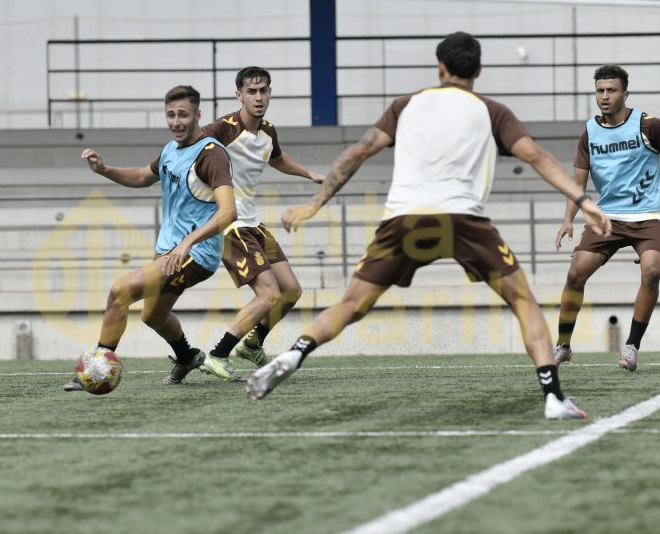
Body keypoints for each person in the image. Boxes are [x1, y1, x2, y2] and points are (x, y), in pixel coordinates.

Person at [244, 31, 612, 420]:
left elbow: (358, 151)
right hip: (463, 221)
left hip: (404, 220)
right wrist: (584, 201)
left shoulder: (406, 105)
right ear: (479, 70)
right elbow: (536, 156)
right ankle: (553, 397)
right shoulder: (492, 111)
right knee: (524, 303)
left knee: (352, 304)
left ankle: (294, 354)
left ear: (440, 67)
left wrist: (314, 203)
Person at [63, 84, 236, 391]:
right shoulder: (171, 149)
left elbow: (228, 213)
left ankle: (97, 369)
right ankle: (187, 356)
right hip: (169, 250)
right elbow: (144, 176)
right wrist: (104, 170)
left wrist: (187, 243)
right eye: (170, 115)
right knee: (153, 315)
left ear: (198, 114)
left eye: (183, 114)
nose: (176, 122)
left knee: (120, 292)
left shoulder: (211, 156)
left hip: (196, 254)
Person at [552, 64, 660, 372]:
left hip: (648, 218)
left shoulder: (649, 125)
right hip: (607, 219)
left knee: (652, 270)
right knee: (576, 272)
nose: (604, 96)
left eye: (611, 90)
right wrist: (568, 219)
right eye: (600, 91)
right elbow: (578, 182)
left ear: (625, 93)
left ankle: (631, 346)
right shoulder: (589, 131)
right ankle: (563, 346)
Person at [190, 66, 325, 383]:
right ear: (239, 95)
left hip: (253, 222)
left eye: (263, 90)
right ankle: (218, 355)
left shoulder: (269, 132)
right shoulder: (222, 129)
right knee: (268, 295)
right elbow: (189, 149)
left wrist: (309, 174)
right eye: (251, 91)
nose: (258, 96)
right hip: (229, 223)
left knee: (291, 291)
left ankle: (253, 344)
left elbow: (277, 159)